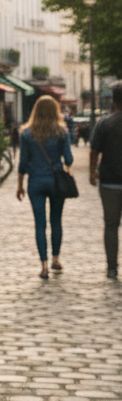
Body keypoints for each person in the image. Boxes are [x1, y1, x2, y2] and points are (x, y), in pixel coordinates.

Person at [16, 94, 74, 279]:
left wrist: (19, 185)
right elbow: (69, 159)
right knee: (56, 220)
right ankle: (56, 259)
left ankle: (44, 266)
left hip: (36, 182)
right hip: (56, 182)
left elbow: (23, 163)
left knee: (39, 224)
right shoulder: (62, 131)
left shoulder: (26, 133)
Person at [89, 80, 122, 279]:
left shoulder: (104, 123)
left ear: (113, 100)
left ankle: (112, 267)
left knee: (111, 225)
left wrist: (92, 171)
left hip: (109, 181)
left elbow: (94, 151)